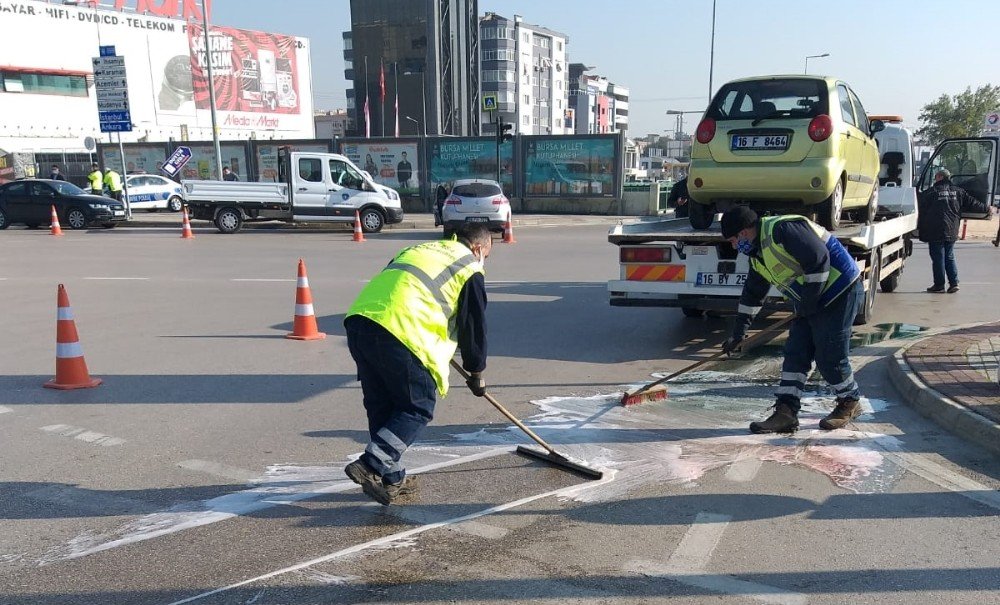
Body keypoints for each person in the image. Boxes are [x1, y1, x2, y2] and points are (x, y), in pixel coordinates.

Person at [343, 223, 493, 505]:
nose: (484, 260)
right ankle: (371, 464)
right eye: (486, 254)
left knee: (384, 407)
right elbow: (474, 328)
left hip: (361, 322)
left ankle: (392, 478)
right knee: (417, 407)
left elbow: (406, 289)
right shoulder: (469, 266)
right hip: (401, 331)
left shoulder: (417, 249)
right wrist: (477, 372)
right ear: (477, 248)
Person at [720, 206, 865, 434]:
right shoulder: (758, 257)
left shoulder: (782, 229)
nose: (734, 246)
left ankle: (850, 401)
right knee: (795, 352)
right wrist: (738, 333)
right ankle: (785, 413)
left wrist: (809, 302)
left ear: (744, 232)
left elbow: (818, 260)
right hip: (811, 300)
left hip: (841, 291)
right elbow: (752, 295)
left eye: (734, 240)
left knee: (829, 354)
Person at [917, 169, 987, 293]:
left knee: (938, 257)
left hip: (935, 230)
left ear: (939, 177)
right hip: (952, 229)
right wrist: (987, 209)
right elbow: (973, 203)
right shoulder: (959, 192)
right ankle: (954, 283)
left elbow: (918, 204)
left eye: (936, 177)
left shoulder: (931, 192)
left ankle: (939, 285)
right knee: (949, 256)